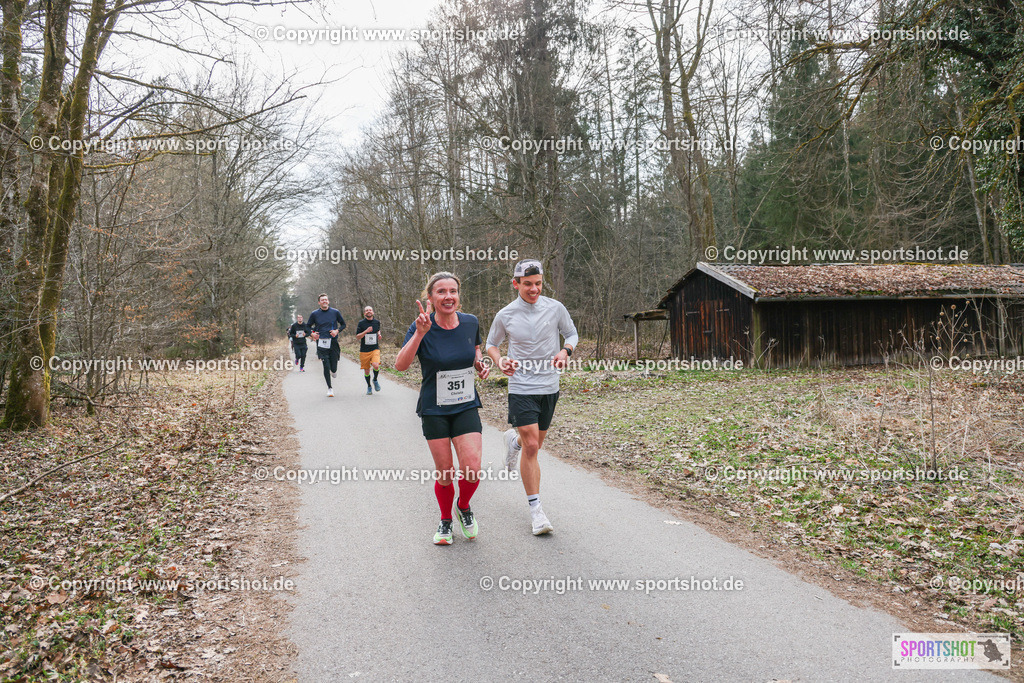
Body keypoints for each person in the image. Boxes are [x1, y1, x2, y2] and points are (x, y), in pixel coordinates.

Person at [395, 272, 489, 545]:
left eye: (453, 291)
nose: (448, 296)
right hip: (434, 408)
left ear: (459, 295)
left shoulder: (470, 322)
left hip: (465, 404)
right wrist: (420, 334)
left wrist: (480, 364)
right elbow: (400, 366)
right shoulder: (421, 326)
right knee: (446, 473)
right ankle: (446, 520)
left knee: (472, 469)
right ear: (431, 297)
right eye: (441, 292)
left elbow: (475, 351)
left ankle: (464, 507)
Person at [485, 259, 578, 536]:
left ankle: (512, 441)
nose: (534, 289)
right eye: (527, 284)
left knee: (531, 446)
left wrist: (566, 352)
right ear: (515, 284)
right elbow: (492, 344)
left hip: (549, 386)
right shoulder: (506, 314)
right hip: (522, 385)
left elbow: (571, 333)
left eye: (538, 284)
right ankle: (536, 511)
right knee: (534, 446)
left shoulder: (555, 308)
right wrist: (500, 361)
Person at [308, 293, 346, 397]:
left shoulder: (335, 312)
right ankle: (329, 388)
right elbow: (307, 327)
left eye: (326, 300)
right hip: (321, 343)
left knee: (333, 367)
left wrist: (337, 331)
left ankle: (333, 371)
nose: (324, 301)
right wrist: (312, 333)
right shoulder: (315, 314)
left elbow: (343, 324)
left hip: (333, 342)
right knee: (325, 365)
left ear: (328, 301)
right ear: (319, 302)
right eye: (322, 300)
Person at [355, 306, 383, 395]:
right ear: (364, 313)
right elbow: (357, 337)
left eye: (370, 310)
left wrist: (379, 334)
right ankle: (369, 386)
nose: (368, 311)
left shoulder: (377, 322)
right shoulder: (361, 323)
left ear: (373, 312)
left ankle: (375, 380)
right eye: (367, 310)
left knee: (376, 365)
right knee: (366, 371)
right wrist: (365, 331)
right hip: (364, 350)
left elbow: (378, 330)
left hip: (375, 348)